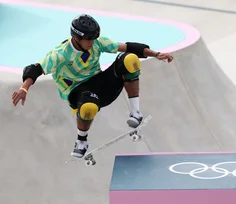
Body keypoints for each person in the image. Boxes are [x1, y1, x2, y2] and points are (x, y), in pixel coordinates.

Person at [11, 14, 174, 158]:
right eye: (88, 39)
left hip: (101, 83)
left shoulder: (96, 43)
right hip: (78, 92)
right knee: (89, 107)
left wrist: (156, 54)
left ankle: (135, 113)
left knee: (129, 58)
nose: (91, 42)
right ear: (76, 37)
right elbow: (36, 69)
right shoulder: (59, 55)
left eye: (93, 38)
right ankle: (81, 141)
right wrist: (24, 88)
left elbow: (129, 47)